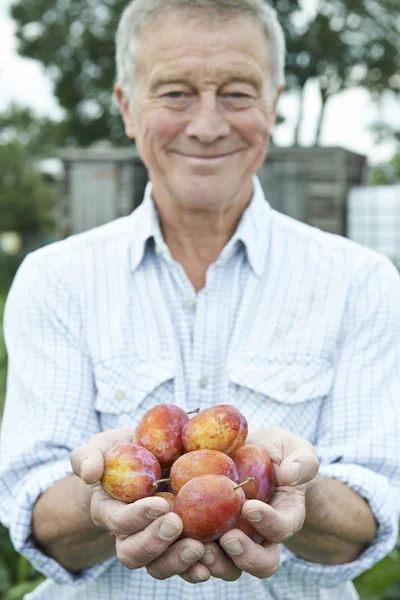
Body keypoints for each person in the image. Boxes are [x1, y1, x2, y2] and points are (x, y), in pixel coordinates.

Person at [0, 1, 399, 599]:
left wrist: (288, 486)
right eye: (176, 93)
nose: (208, 125)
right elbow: (33, 517)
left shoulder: (360, 280)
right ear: (127, 107)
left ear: (275, 103)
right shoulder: (56, 279)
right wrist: (99, 498)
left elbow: (367, 521)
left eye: (238, 93)